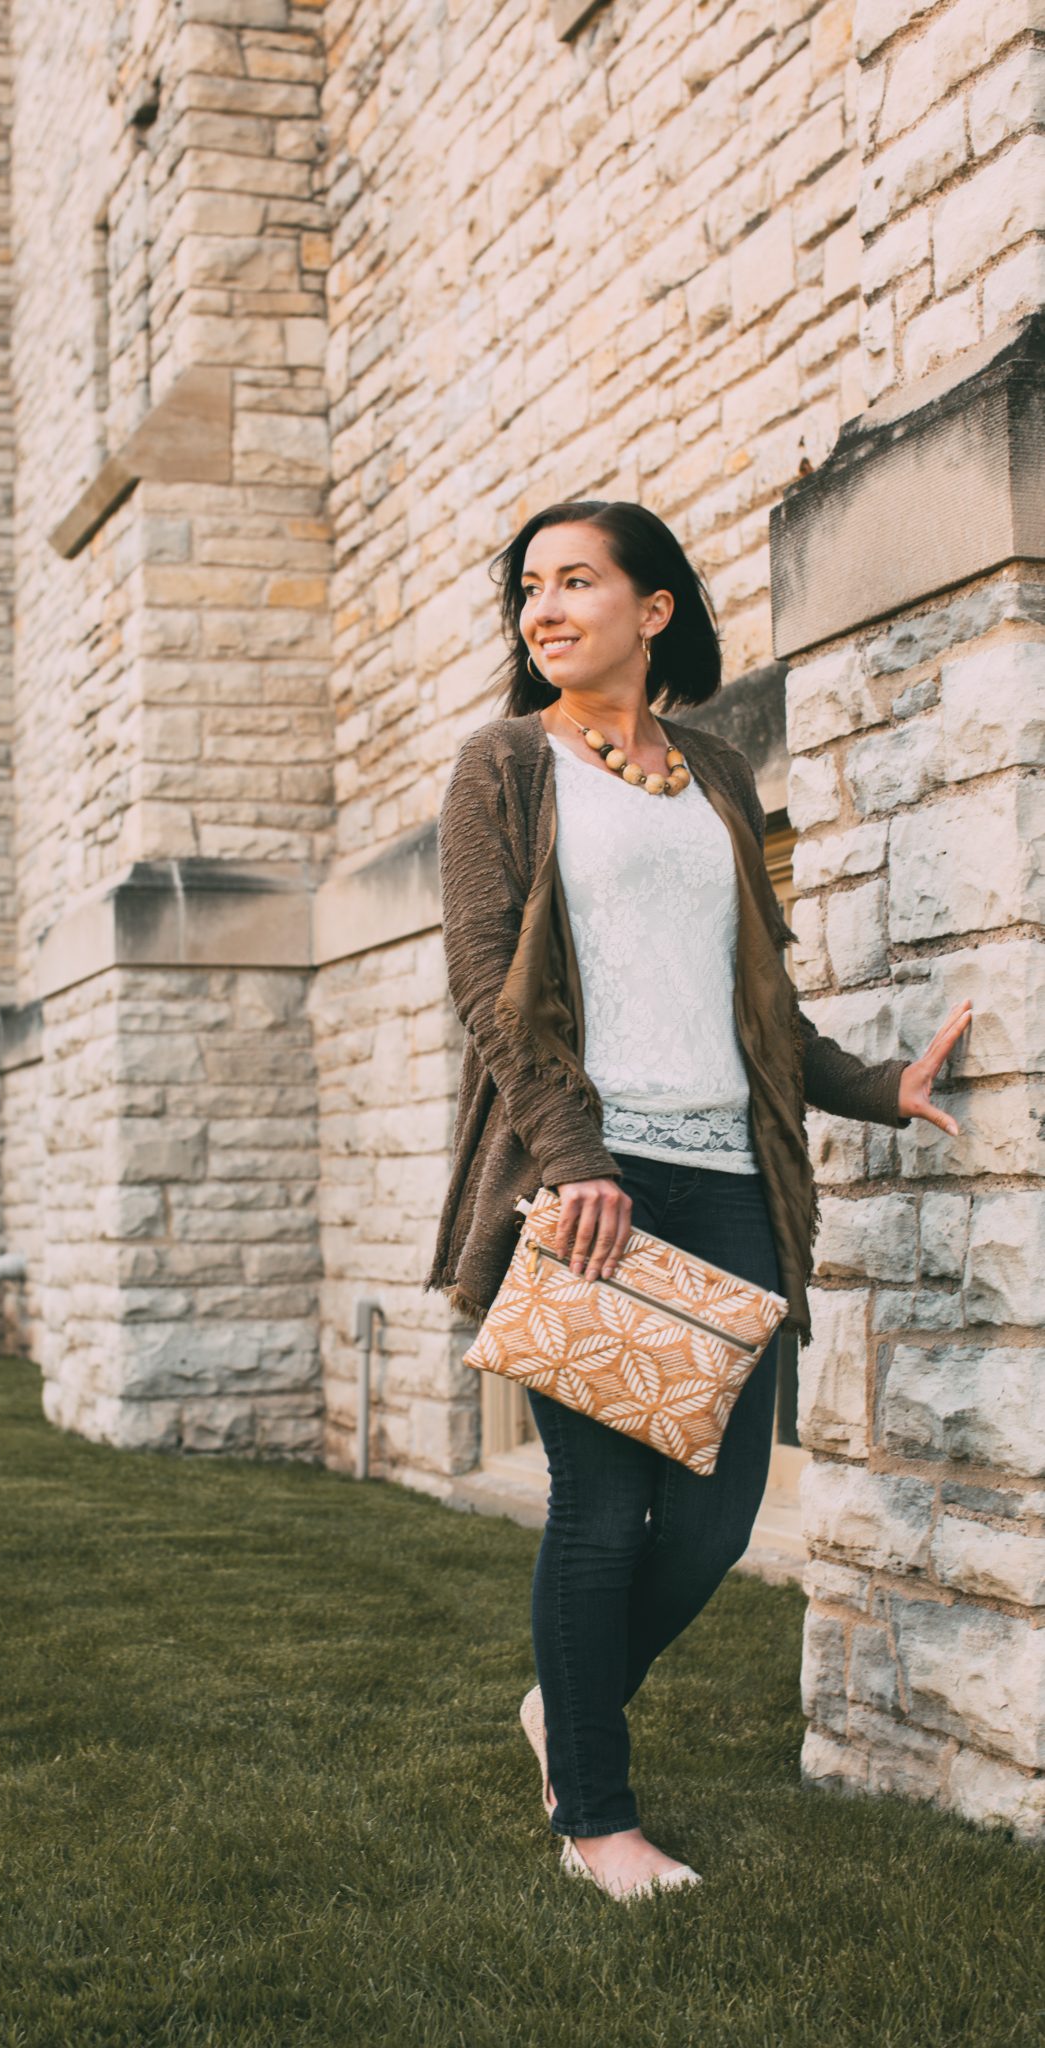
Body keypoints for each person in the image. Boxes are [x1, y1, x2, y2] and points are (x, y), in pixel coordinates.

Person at [425, 499, 973, 1902]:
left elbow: (754, 999)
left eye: (575, 582)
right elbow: (490, 986)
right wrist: (575, 1156)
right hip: (591, 1181)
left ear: (652, 606)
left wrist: (872, 1087)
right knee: (601, 1512)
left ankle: (568, 1698)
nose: (543, 608)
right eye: (528, 589)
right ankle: (594, 1819)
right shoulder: (501, 764)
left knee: (721, 1518)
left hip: (729, 1174)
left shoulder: (713, 774)